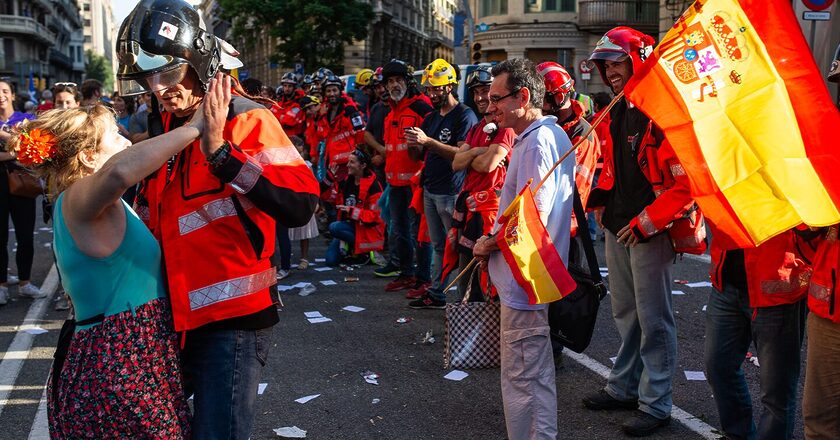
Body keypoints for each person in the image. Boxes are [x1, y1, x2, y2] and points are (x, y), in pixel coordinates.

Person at [116, 1, 320, 438]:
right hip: (175, 319)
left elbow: (301, 204)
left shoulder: (248, 118)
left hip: (234, 323)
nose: (159, 89)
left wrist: (223, 158)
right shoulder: (169, 126)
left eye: (168, 74)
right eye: (149, 79)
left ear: (198, 62)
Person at [14, 90, 226, 437]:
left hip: (129, 353)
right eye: (114, 134)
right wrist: (195, 127)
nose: (125, 137)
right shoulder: (79, 195)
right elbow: (118, 173)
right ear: (86, 157)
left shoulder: (93, 202)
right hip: (118, 358)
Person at [581, 26, 697, 436]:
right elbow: (611, 165)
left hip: (650, 229)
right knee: (626, 316)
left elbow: (688, 182)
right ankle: (624, 387)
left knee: (654, 319)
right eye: (605, 64)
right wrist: (604, 208)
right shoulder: (617, 105)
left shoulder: (665, 107)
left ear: (639, 57)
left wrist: (648, 221)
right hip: (618, 224)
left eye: (618, 61)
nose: (610, 71)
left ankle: (656, 402)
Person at [471, 58, 575, 440]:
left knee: (524, 374)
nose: (489, 104)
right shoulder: (539, 137)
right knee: (530, 373)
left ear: (524, 96)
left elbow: (533, 216)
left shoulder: (539, 141)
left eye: (497, 97)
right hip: (526, 275)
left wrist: (489, 241)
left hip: (525, 278)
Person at [705, 228, 813, 440]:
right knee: (719, 367)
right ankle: (738, 434)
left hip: (777, 291)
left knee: (776, 391)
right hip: (727, 282)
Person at [404, 58, 478, 308]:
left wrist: (428, 142)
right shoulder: (432, 117)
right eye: (428, 89)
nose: (431, 94)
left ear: (449, 86)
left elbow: (461, 155)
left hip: (451, 190)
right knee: (438, 245)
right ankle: (437, 293)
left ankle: (463, 299)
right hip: (431, 189)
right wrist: (412, 144)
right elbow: (419, 155)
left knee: (456, 246)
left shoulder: (464, 115)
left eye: (435, 88)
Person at [449, 65, 515, 301]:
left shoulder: (505, 129)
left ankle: (486, 331)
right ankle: (468, 328)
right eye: (475, 92)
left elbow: (488, 166)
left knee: (488, 278)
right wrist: (479, 150)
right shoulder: (476, 127)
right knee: (465, 274)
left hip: (491, 215)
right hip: (470, 211)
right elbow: (456, 162)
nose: (479, 98)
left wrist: (471, 156)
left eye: (485, 91)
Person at [374, 59, 434, 292]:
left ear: (408, 82)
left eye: (399, 80)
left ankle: (423, 278)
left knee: (420, 232)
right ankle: (407, 273)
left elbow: (433, 144)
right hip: (394, 182)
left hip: (416, 183)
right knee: (399, 230)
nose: (394, 85)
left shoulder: (421, 107)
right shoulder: (390, 111)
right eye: (390, 81)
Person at [0, 78, 43, 303]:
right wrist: (16, 152)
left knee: (25, 234)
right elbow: (21, 150)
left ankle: (25, 282)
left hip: (22, 182)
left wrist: (11, 152)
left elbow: (32, 150)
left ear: (13, 95)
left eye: (5, 91)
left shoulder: (26, 120)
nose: (1, 95)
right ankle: (2, 286)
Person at [325, 149, 384, 266]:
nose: (347, 165)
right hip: (349, 226)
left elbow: (375, 216)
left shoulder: (374, 186)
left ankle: (365, 252)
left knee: (334, 227)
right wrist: (329, 180)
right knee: (331, 261)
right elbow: (330, 199)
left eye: (352, 162)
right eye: (348, 162)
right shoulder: (347, 181)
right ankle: (351, 249)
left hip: (366, 230)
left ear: (363, 165)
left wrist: (352, 211)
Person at [275, 72, 306, 139]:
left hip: (295, 139)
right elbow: (271, 119)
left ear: (294, 87)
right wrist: (283, 117)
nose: (287, 89)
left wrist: (279, 116)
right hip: (281, 138)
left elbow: (288, 122)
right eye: (285, 86)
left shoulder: (299, 102)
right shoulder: (280, 102)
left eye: (290, 86)